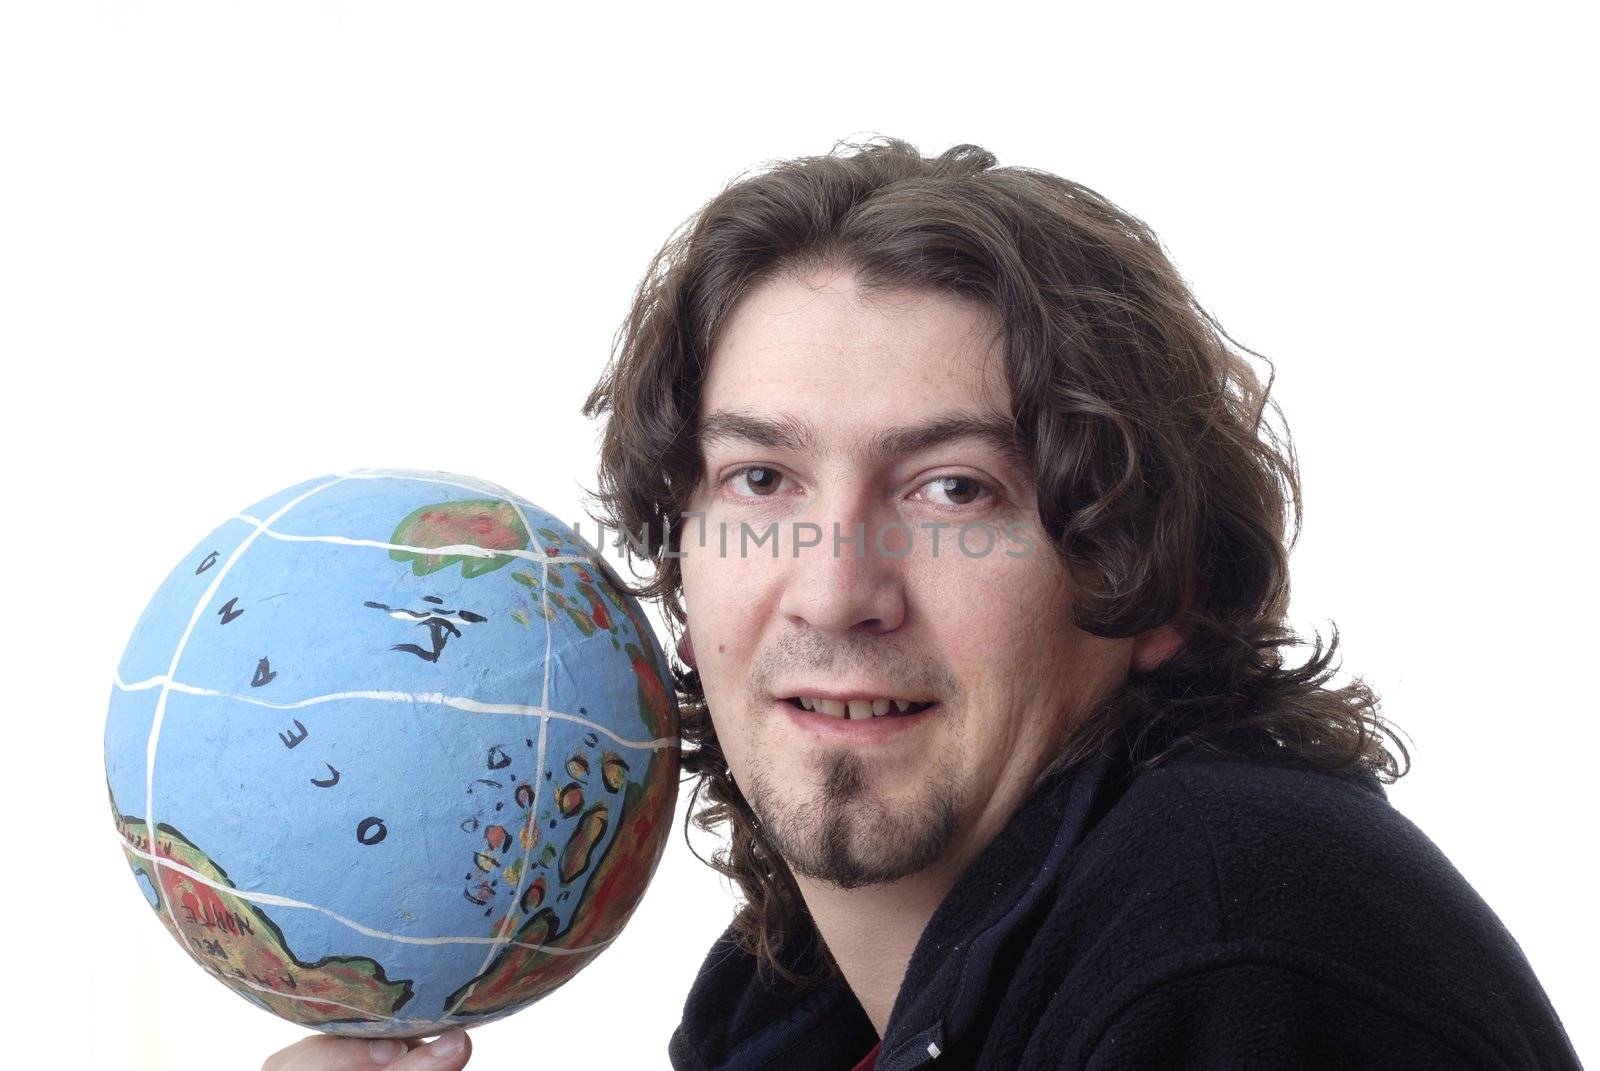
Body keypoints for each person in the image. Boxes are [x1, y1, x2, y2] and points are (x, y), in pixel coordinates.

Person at [262, 139, 1583, 1070]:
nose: (836, 586)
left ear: (1153, 576)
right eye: (762, 477)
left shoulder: (1233, 956)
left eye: (955, 490)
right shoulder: (790, 1009)